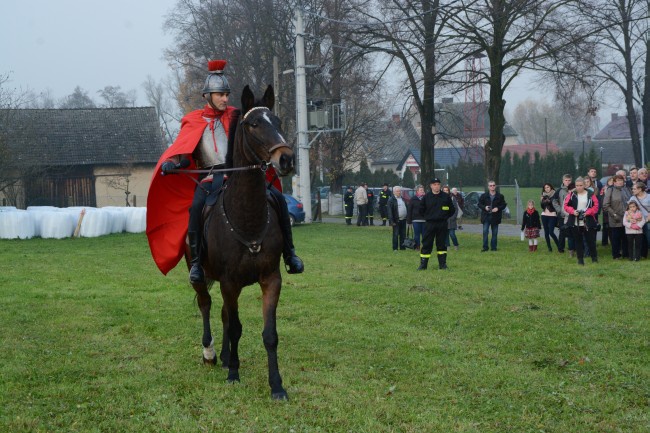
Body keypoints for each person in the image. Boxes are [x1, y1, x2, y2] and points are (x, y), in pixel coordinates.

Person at [147, 60, 303, 283]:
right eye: (220, 94)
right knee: (197, 208)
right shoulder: (192, 121)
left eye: (227, 94)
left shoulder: (238, 117)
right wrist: (174, 163)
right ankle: (197, 264)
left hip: (241, 175)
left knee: (277, 198)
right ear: (207, 96)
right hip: (210, 179)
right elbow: (184, 153)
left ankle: (290, 254)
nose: (225, 99)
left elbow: (256, 139)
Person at [418, 178, 454, 270]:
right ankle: (423, 265)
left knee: (442, 244)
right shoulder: (426, 197)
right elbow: (421, 210)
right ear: (431, 186)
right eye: (434, 184)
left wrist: (444, 216)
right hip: (430, 224)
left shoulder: (446, 197)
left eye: (438, 184)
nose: (436, 186)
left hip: (442, 224)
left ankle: (442, 265)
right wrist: (428, 217)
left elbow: (452, 210)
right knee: (427, 244)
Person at [563, 177, 599, 265]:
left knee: (590, 241)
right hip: (575, 222)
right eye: (577, 185)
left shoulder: (591, 194)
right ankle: (580, 260)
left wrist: (588, 212)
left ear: (584, 185)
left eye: (581, 185)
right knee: (578, 241)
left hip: (588, 221)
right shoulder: (571, 194)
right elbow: (566, 206)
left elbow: (596, 206)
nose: (578, 187)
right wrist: (572, 211)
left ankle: (594, 258)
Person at [602, 174, 631, 259]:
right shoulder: (610, 190)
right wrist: (614, 214)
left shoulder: (627, 190)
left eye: (621, 180)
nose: (620, 182)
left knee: (626, 237)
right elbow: (605, 205)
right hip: (615, 218)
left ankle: (626, 254)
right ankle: (616, 255)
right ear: (614, 182)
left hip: (627, 217)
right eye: (617, 180)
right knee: (616, 238)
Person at [478, 180, 507, 252]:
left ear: (495, 186)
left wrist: (498, 208)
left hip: (495, 217)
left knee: (494, 233)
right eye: (490, 185)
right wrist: (485, 207)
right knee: (485, 231)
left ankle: (493, 248)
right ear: (488, 187)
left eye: (493, 185)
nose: (492, 187)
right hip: (486, 216)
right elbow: (479, 204)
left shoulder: (500, 196)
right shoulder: (484, 196)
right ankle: (485, 247)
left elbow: (503, 204)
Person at [552, 174, 575, 255]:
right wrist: (559, 210)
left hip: (572, 215)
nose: (567, 182)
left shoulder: (574, 190)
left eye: (569, 180)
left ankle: (572, 248)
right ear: (563, 181)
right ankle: (560, 249)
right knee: (562, 232)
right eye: (566, 180)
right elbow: (554, 201)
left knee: (572, 232)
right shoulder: (559, 191)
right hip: (562, 215)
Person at [628, 181, 650, 259]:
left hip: (648, 221)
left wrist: (648, 217)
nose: (632, 190)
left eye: (634, 189)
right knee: (641, 239)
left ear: (640, 189)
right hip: (638, 222)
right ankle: (643, 255)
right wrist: (632, 218)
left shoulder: (648, 197)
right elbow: (629, 210)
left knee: (648, 238)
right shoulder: (632, 198)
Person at [540, 183, 560, 252]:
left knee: (551, 232)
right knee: (546, 233)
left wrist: (549, 201)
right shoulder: (543, 195)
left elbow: (556, 205)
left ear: (551, 187)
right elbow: (542, 207)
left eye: (548, 187)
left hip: (552, 215)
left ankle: (559, 247)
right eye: (545, 188)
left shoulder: (555, 194)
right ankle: (549, 248)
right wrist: (542, 201)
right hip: (544, 215)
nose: (546, 189)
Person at [387, 186, 407, 251]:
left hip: (403, 220)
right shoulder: (391, 200)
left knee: (403, 234)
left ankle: (402, 247)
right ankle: (395, 248)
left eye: (400, 191)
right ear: (394, 192)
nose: (399, 192)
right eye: (397, 191)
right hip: (396, 220)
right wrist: (391, 221)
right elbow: (389, 211)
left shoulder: (402, 199)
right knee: (395, 234)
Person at [406, 184, 426, 250]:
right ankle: (417, 246)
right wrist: (409, 221)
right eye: (421, 190)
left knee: (424, 234)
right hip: (416, 220)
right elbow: (409, 210)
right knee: (417, 235)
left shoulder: (426, 198)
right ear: (417, 191)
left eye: (423, 190)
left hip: (424, 220)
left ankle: (425, 246)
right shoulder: (413, 199)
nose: (422, 191)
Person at [443, 185, 459, 250]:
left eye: (446, 190)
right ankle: (447, 246)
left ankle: (456, 245)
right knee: (445, 235)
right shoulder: (440, 198)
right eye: (444, 190)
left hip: (451, 219)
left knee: (452, 234)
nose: (445, 192)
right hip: (444, 220)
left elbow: (456, 209)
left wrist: (453, 217)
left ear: (449, 191)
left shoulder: (452, 198)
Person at [600, 177, 614, 246]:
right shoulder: (604, 189)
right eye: (610, 181)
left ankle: (612, 242)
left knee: (611, 228)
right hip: (606, 210)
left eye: (612, 181)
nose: (611, 182)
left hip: (613, 210)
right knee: (606, 227)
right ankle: (604, 242)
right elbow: (602, 199)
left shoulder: (614, 189)